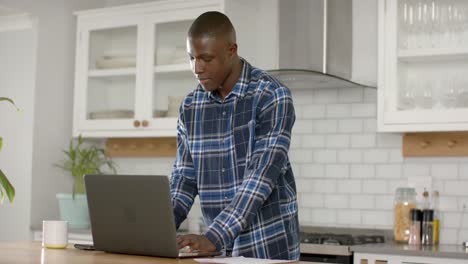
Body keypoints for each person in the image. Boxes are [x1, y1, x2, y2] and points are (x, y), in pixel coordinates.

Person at [170, 11, 299, 260]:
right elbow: (184, 179)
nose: (197, 68)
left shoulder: (271, 96)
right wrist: (160, 227)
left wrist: (213, 237)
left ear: (231, 50)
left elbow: (259, 179)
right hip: (216, 252)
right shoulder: (190, 107)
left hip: (265, 248)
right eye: (191, 58)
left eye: (206, 58)